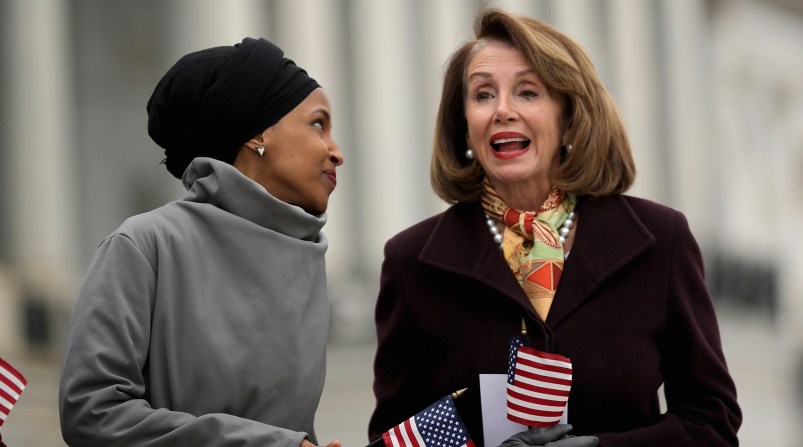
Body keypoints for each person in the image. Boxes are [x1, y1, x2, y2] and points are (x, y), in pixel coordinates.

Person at [368, 8, 740, 447]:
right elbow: (391, 439)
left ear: (570, 119)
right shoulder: (412, 262)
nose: (503, 110)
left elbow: (711, 424)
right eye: (483, 95)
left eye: (528, 92)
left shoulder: (660, 240)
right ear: (464, 129)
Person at [59, 37, 344, 447]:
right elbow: (92, 412)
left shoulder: (307, 253)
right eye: (319, 123)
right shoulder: (142, 246)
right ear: (257, 133)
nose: (336, 152)